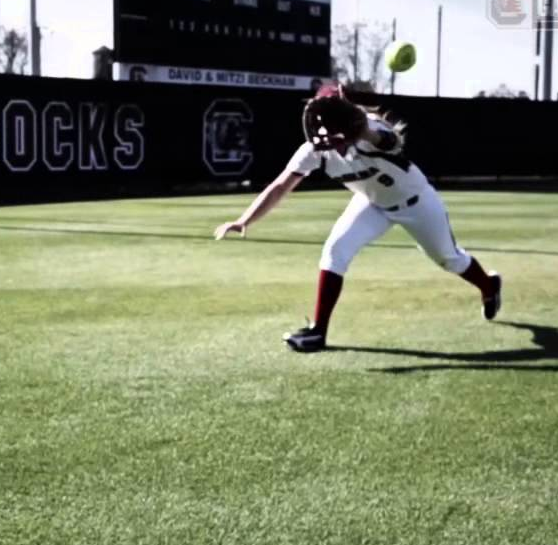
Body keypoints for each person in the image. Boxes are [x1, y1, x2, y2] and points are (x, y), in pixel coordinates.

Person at [212, 85, 503, 352]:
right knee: (335, 250)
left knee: (449, 259)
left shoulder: (370, 132)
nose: (322, 130)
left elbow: (389, 140)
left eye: (329, 122)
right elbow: (279, 187)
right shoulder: (314, 151)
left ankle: (489, 286)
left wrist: (363, 130)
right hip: (371, 203)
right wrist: (244, 220)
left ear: (347, 119)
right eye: (319, 123)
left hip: (416, 202)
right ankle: (318, 332)